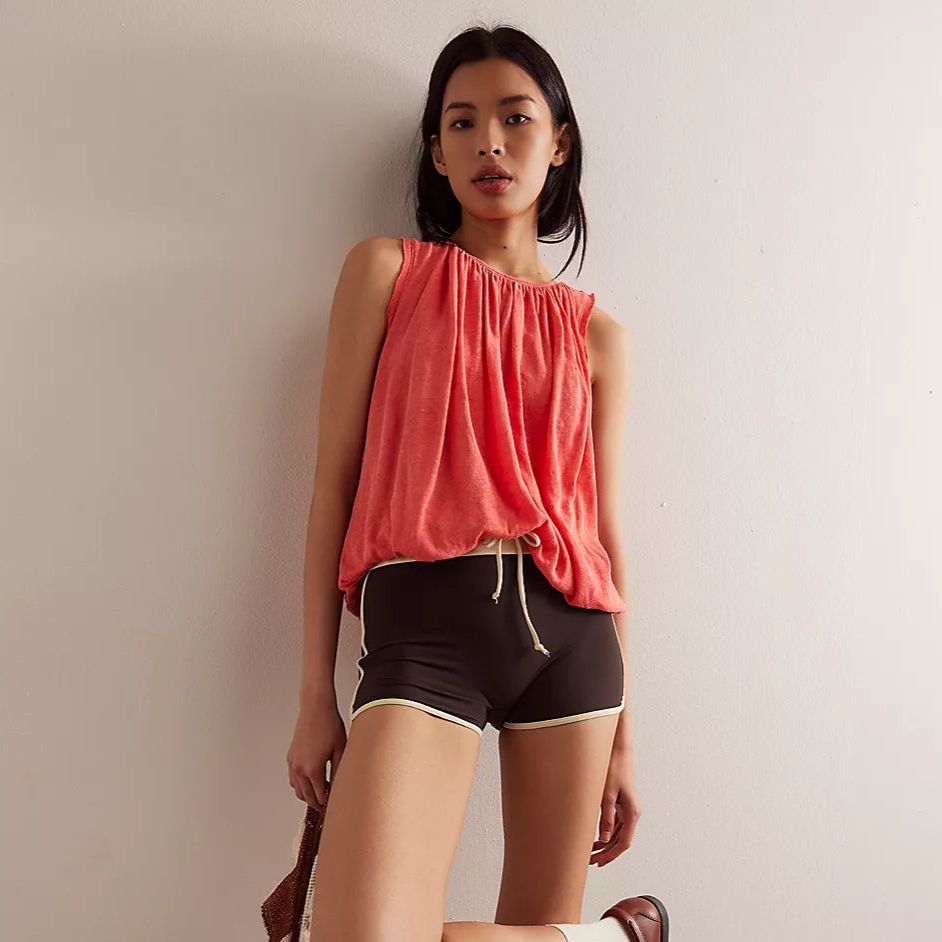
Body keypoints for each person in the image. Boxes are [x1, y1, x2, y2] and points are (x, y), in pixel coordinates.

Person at [285, 23, 669, 942]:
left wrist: (626, 734)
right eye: (461, 123)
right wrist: (313, 696)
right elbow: (332, 487)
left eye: (515, 118)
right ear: (437, 152)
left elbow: (604, 533)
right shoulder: (387, 273)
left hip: (573, 642)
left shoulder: (597, 336)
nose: (489, 142)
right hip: (424, 631)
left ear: (559, 142)